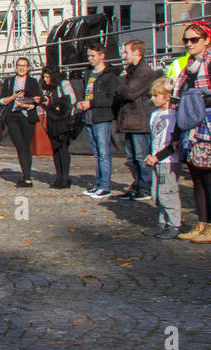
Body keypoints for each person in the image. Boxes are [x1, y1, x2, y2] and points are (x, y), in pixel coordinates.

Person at [159, 20, 211, 242]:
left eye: (194, 39)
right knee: (196, 176)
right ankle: (202, 223)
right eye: (185, 40)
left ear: (206, 40)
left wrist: (197, 100)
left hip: (209, 124)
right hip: (190, 127)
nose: (188, 43)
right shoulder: (188, 68)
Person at [114, 39, 156, 202]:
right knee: (131, 158)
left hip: (139, 120)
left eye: (126, 52)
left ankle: (145, 188)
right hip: (130, 120)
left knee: (141, 156)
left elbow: (128, 92)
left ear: (137, 52)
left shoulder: (144, 71)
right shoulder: (131, 72)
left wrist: (121, 85)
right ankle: (137, 185)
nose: (124, 56)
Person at [76, 46, 117, 199]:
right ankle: (99, 183)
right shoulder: (88, 73)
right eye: (88, 56)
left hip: (101, 117)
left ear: (102, 56)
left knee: (104, 153)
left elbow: (112, 99)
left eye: (93, 56)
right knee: (97, 154)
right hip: (89, 116)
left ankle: (105, 185)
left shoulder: (109, 76)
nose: (90, 59)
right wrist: (82, 103)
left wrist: (91, 103)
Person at [142, 77, 181, 238]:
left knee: (168, 193)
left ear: (166, 96)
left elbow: (174, 144)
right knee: (157, 193)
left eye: (156, 95)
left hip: (168, 161)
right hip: (157, 160)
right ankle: (162, 221)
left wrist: (158, 157)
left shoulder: (174, 115)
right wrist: (152, 155)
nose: (152, 98)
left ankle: (174, 224)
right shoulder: (155, 114)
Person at [0, 58, 42, 187]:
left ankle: (27, 177)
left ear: (28, 68)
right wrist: (13, 97)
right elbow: (1, 100)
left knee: (26, 146)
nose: (21, 68)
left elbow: (38, 99)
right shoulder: (9, 81)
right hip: (12, 116)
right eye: (19, 65)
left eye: (24, 66)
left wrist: (27, 104)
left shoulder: (33, 82)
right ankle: (27, 177)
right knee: (20, 146)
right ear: (15, 67)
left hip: (27, 115)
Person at [39, 67, 75, 189]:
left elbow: (71, 101)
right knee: (55, 149)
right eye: (44, 77)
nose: (45, 79)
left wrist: (53, 104)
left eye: (48, 76)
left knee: (63, 149)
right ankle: (59, 176)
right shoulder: (47, 89)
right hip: (51, 120)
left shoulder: (62, 84)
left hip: (63, 121)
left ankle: (65, 177)